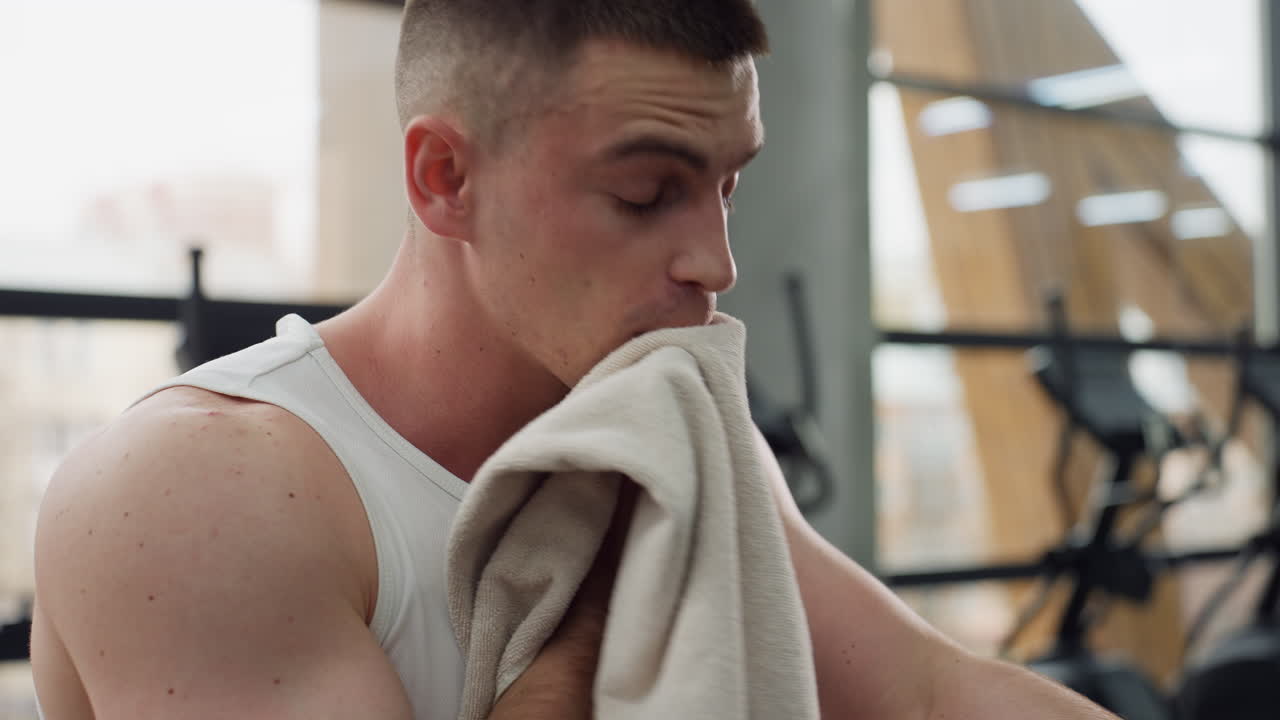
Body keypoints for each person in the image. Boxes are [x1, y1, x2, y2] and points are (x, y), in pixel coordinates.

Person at [30, 1, 1118, 718]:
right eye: (645, 194)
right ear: (445, 179)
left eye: (726, 187)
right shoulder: (201, 489)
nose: (716, 262)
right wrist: (595, 580)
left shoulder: (666, 423)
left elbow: (927, 694)